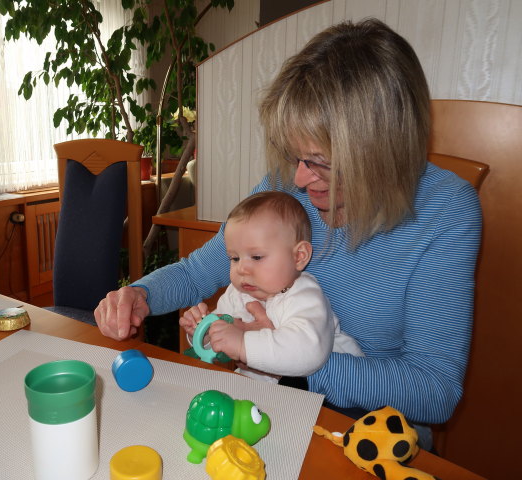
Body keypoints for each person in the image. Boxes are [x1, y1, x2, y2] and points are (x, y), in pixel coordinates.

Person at [95, 19, 482, 447]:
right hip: (270, 406)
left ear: (380, 152)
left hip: (368, 436)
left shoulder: (446, 211)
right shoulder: (286, 185)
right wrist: (140, 297)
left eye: (318, 161)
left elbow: (434, 391)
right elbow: (196, 273)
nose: (298, 179)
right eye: (296, 156)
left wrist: (283, 352)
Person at [180, 191, 364, 383]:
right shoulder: (238, 294)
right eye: (234, 258)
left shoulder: (305, 295)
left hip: (330, 399)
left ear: (299, 256)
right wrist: (203, 333)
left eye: (257, 257)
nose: (241, 268)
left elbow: (307, 353)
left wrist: (243, 344)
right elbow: (222, 336)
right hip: (263, 392)